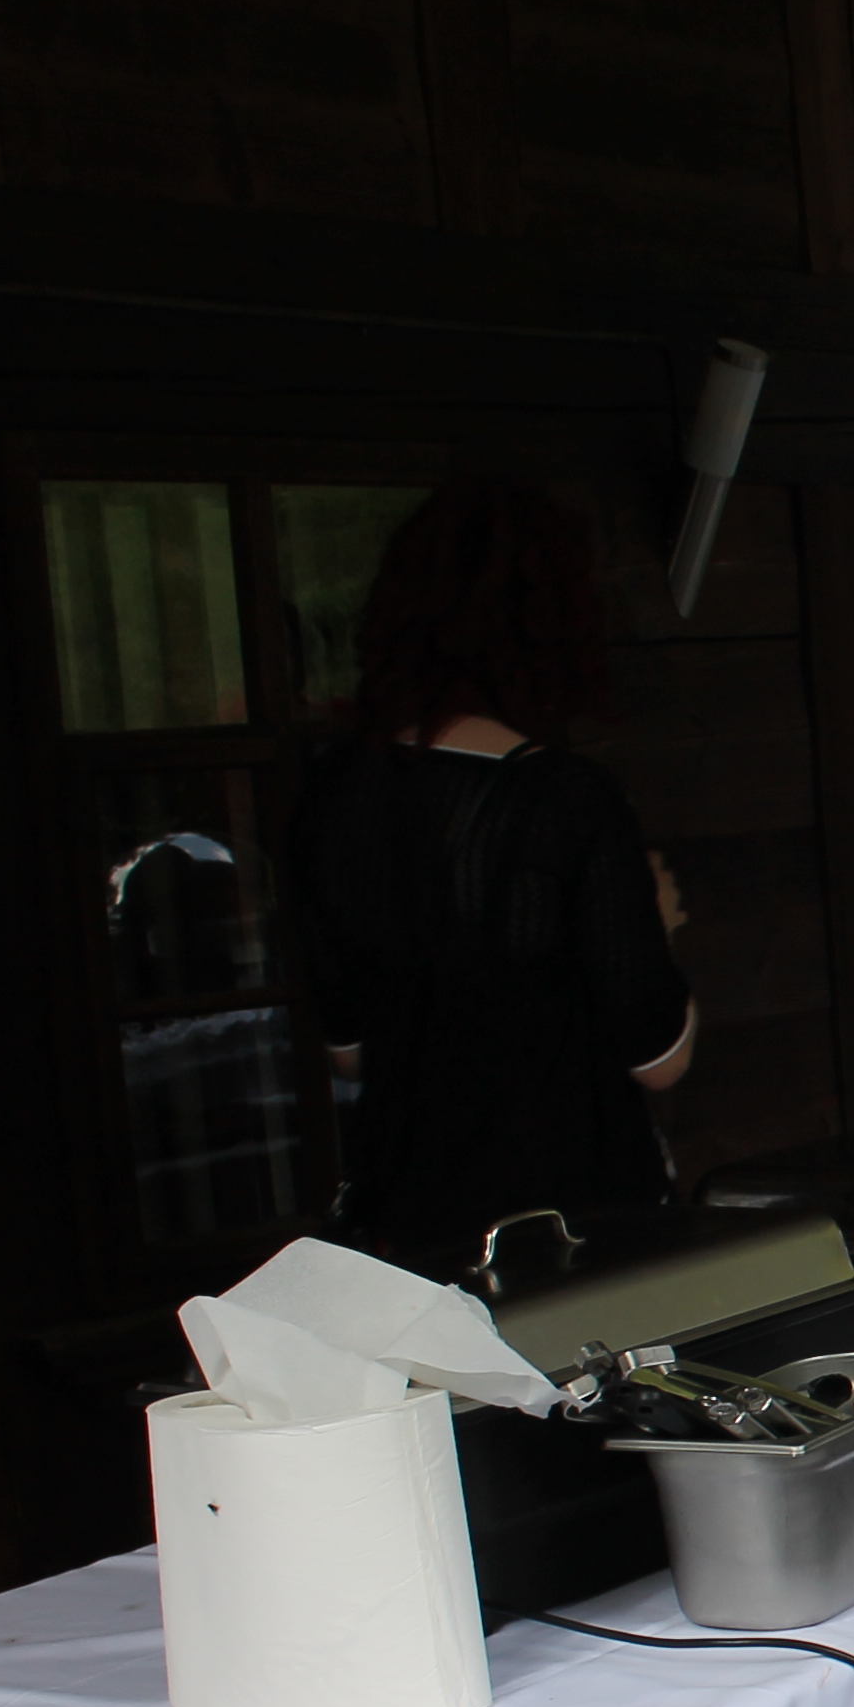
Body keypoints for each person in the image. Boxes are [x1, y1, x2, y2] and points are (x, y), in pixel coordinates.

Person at [280, 482, 696, 1255]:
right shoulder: (564, 803)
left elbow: (347, 1050)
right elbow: (659, 1058)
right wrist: (659, 918)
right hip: (568, 1223)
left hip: (404, 1215)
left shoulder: (332, 796)